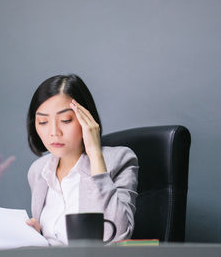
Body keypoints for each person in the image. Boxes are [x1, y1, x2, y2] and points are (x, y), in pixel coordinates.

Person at [25, 74, 138, 245]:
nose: (54, 132)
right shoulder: (38, 170)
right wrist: (37, 236)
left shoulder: (120, 160)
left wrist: (94, 155)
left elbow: (117, 237)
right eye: (43, 122)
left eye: (65, 120)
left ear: (87, 119)